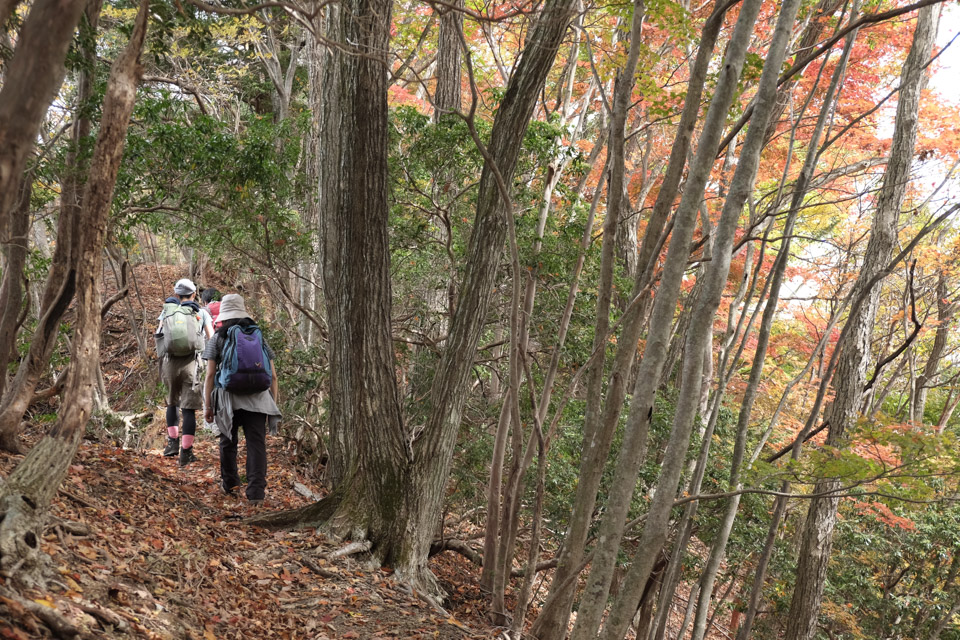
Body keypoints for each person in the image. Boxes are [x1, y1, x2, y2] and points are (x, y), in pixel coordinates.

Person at [202, 294, 280, 504]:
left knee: (228, 442)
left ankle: (231, 485)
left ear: (224, 316)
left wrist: (207, 406)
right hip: (259, 400)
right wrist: (272, 401)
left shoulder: (218, 338)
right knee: (257, 444)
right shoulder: (258, 336)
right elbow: (272, 375)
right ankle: (256, 494)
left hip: (229, 400)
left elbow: (210, 375)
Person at [156, 278, 213, 466]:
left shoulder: (167, 311)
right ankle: (186, 452)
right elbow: (211, 338)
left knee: (172, 403)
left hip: (170, 362)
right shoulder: (201, 312)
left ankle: (172, 443)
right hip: (192, 363)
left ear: (175, 294)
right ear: (194, 294)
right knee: (189, 408)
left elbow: (160, 335)